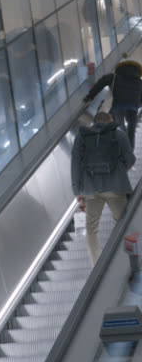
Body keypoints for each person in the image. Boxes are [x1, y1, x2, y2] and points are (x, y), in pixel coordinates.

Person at [71, 111, 135, 266]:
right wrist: (120, 169)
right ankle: (129, 260)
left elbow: (75, 165)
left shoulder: (81, 137)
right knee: (123, 223)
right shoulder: (118, 134)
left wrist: (77, 191)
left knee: (91, 228)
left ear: (95, 122)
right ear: (109, 120)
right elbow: (130, 159)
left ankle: (96, 264)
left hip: (91, 190)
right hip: (116, 186)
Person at [83, 54, 142, 149]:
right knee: (131, 131)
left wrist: (90, 96)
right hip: (132, 109)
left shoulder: (114, 77)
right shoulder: (139, 82)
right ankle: (129, 153)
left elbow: (100, 84)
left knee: (120, 126)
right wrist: (137, 105)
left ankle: (121, 143)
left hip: (118, 107)